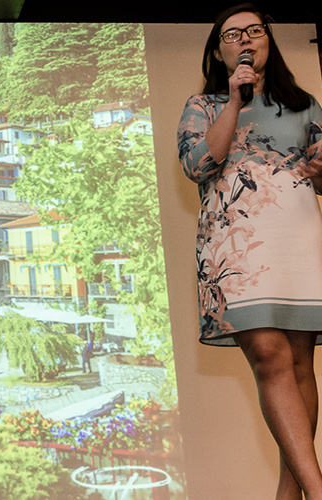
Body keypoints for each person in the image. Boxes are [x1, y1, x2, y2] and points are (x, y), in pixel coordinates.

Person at [177, 4, 322, 499]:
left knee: (299, 364)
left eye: (254, 30)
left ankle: (290, 492)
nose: (244, 39)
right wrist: (234, 102)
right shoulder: (204, 105)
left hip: (298, 243)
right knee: (268, 354)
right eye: (231, 34)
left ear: (267, 41)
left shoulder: (303, 105)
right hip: (234, 252)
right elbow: (198, 166)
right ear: (219, 53)